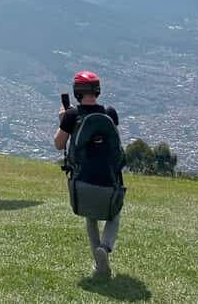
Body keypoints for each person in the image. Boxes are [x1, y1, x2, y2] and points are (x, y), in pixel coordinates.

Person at [54, 71, 125, 280]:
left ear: (77, 92)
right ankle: (105, 247)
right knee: (114, 214)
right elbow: (114, 144)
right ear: (98, 91)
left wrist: (63, 120)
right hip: (110, 182)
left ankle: (98, 262)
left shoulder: (72, 115)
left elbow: (59, 144)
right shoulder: (110, 113)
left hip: (82, 182)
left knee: (91, 218)